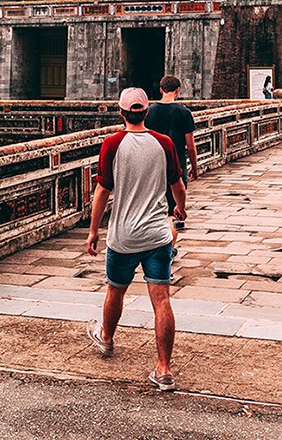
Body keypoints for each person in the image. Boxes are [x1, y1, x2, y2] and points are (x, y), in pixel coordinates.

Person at [85, 87, 187, 392]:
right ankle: (164, 369)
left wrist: (93, 230)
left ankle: (106, 339)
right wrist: (181, 207)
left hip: (124, 235)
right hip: (158, 234)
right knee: (161, 299)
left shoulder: (112, 144)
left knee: (115, 290)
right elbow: (178, 185)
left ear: (121, 113)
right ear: (146, 112)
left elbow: (103, 191)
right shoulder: (163, 143)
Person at [145, 75, 199, 235]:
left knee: (156, 210)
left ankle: (160, 244)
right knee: (174, 211)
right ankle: (169, 246)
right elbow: (190, 146)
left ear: (161, 90)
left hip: (154, 168)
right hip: (177, 167)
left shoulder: (149, 112)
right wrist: (194, 168)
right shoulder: (184, 113)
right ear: (177, 90)